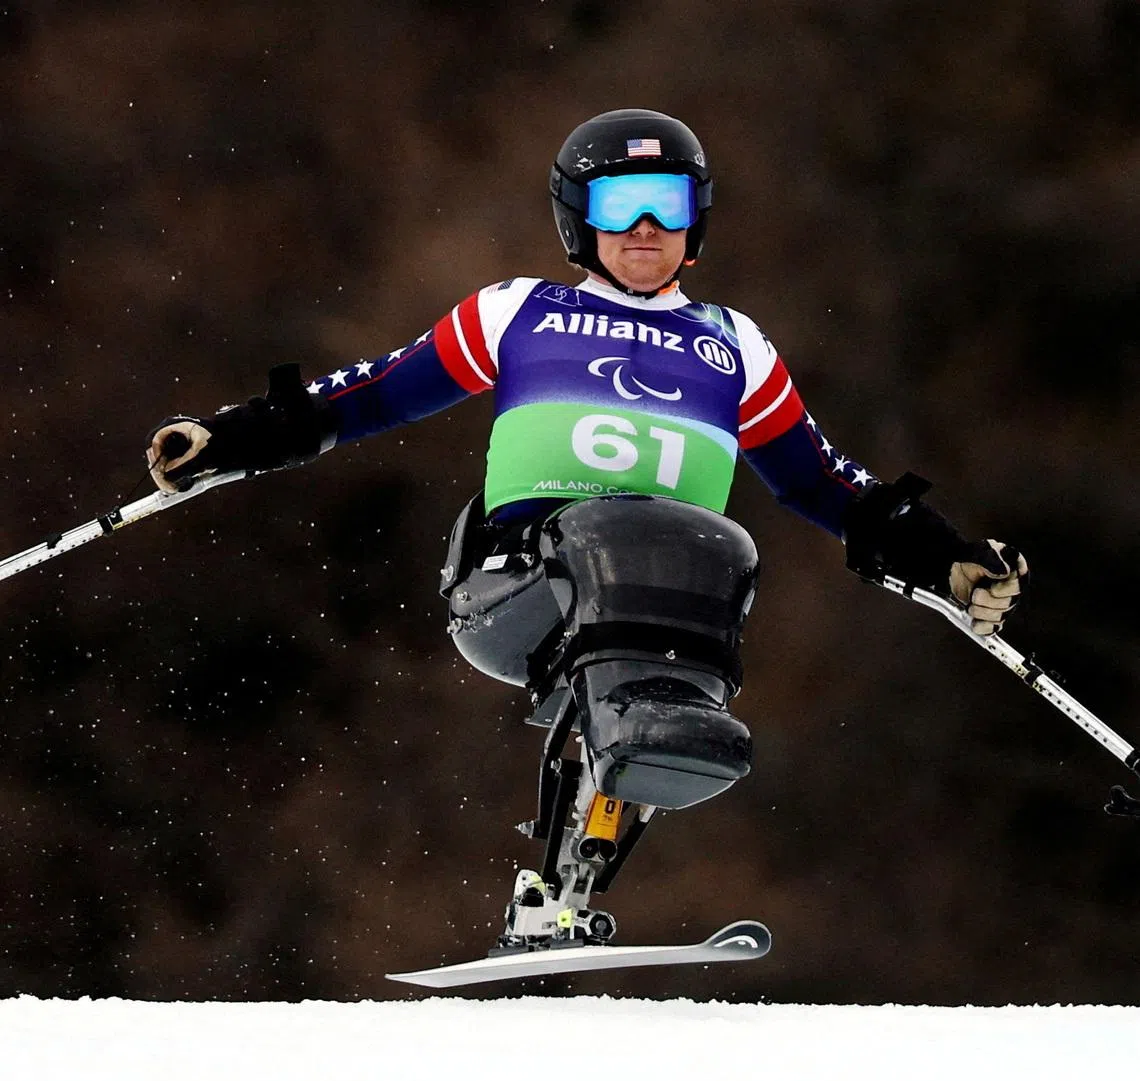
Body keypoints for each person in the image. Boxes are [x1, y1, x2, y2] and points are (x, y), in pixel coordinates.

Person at [146, 109, 1027, 792]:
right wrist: (227, 439)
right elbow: (371, 393)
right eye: (617, 205)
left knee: (715, 554)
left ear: (695, 219)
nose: (644, 227)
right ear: (580, 219)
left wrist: (944, 561)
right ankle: (609, 775)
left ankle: (594, 849)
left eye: (666, 205)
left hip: (673, 607)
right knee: (606, 542)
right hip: (520, 584)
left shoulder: (735, 344)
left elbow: (824, 482)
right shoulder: (518, 311)